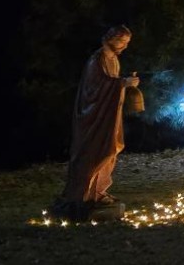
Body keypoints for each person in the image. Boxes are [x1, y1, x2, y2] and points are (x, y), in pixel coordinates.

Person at [57, 25, 139, 215]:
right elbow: (95, 88)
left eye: (127, 43)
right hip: (93, 117)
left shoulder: (114, 59)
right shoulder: (97, 60)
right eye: (121, 42)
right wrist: (122, 83)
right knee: (93, 152)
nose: (124, 47)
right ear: (111, 38)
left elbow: (111, 84)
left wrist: (123, 84)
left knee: (110, 149)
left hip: (109, 116)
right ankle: (82, 195)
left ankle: (98, 191)